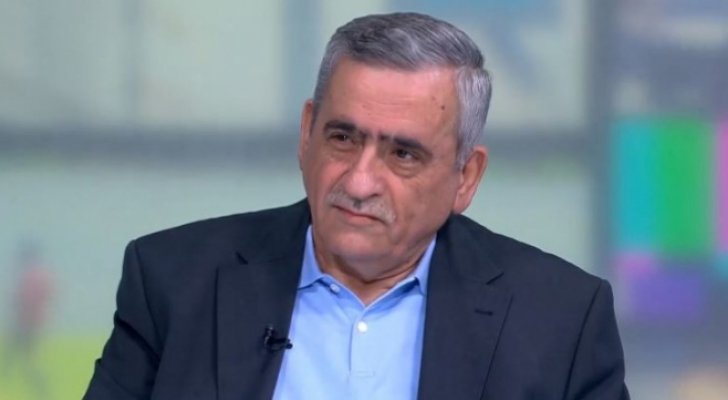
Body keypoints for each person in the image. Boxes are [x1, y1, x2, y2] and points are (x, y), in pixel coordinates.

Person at [85, 12, 629, 399]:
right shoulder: (173, 281)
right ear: (307, 133)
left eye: (403, 154)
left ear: (466, 177)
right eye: (343, 138)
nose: (361, 181)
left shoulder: (561, 320)